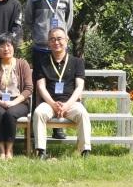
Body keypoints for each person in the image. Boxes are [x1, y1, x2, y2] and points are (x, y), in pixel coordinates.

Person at [32, 28, 91, 158]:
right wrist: (53, 104)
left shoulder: (77, 62)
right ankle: (41, 151)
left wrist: (66, 105)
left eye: (59, 39)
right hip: (49, 103)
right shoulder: (42, 63)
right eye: (52, 39)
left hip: (71, 103)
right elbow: (41, 87)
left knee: (83, 113)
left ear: (66, 40)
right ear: (48, 43)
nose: (56, 42)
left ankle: (85, 151)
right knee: (38, 112)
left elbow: (79, 87)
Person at [0, 35, 33, 160]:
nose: (6, 49)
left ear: (13, 47)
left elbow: (28, 88)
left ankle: (9, 149)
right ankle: (1, 149)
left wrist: (14, 103)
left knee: (10, 114)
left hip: (19, 101)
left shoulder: (23, 64)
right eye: (2, 46)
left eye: (8, 45)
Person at [23, 0, 75, 70]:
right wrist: (39, 35)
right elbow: (28, 21)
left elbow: (68, 21)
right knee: (39, 78)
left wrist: (62, 35)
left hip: (60, 47)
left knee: (60, 77)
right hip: (40, 47)